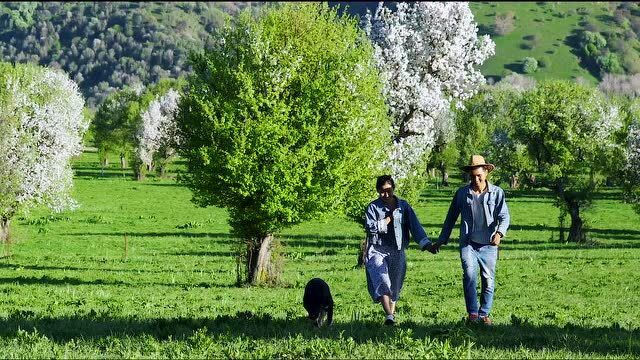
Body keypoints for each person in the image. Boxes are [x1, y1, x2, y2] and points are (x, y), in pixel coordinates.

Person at [430, 155, 510, 325]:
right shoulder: (462, 194)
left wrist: (499, 233)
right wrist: (442, 240)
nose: (475, 179)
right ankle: (473, 314)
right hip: (468, 243)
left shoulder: (497, 193)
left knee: (488, 279)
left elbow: (504, 217)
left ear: (486, 172)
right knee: (469, 275)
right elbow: (451, 218)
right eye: (472, 176)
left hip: (489, 244)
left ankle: (484, 314)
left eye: (479, 175)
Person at [364, 175, 432, 326]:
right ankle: (389, 315)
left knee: (395, 284)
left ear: (393, 188)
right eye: (382, 192)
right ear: (377, 191)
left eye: (389, 190)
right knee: (381, 279)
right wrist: (388, 219)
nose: (386, 195)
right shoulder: (373, 207)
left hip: (397, 250)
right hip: (377, 249)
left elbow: (415, 226)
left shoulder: (404, 206)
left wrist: (426, 244)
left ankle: (391, 315)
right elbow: (370, 228)